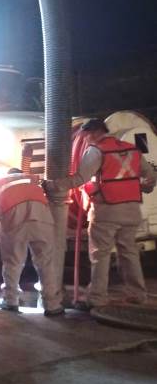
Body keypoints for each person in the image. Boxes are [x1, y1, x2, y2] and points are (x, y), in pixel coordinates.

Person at [45, 118, 156, 309]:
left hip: (107, 211)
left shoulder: (96, 151)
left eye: (85, 135)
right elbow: (150, 176)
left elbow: (80, 178)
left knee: (100, 255)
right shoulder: (131, 148)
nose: (84, 139)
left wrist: (53, 185)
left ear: (94, 133)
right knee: (129, 253)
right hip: (131, 210)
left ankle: (97, 298)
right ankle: (138, 294)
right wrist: (144, 188)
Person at [0, 168, 64, 316]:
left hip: (15, 223)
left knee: (13, 263)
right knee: (46, 263)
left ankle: (10, 301)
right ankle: (52, 305)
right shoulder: (33, 180)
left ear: (8, 174)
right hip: (43, 221)